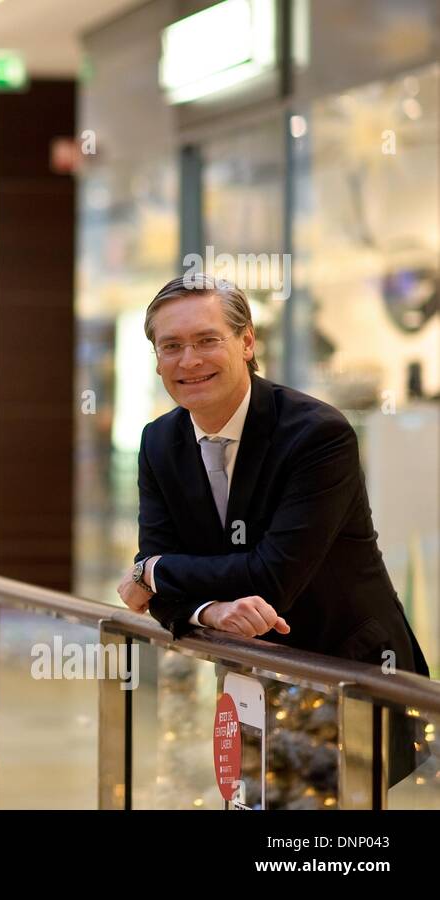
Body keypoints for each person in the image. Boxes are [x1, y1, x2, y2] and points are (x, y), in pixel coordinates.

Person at [117, 274, 430, 784]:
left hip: (345, 672)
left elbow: (270, 577)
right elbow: (161, 584)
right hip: (246, 672)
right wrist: (209, 609)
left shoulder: (316, 434)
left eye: (206, 340)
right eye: (170, 346)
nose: (188, 360)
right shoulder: (158, 441)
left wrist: (153, 570)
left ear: (246, 342)